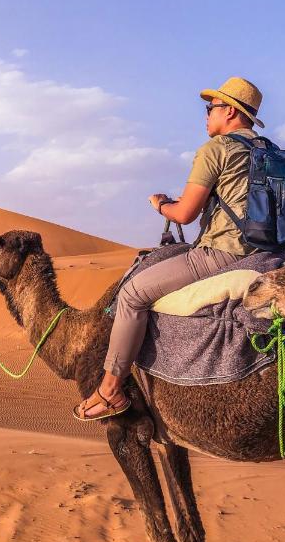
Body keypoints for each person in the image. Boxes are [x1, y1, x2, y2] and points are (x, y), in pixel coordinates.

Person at [74, 76, 265, 421]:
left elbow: (185, 215)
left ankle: (110, 391)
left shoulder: (216, 150)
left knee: (132, 294)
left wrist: (160, 205)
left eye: (211, 108)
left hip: (223, 254)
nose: (206, 115)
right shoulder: (268, 153)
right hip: (269, 253)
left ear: (231, 112)